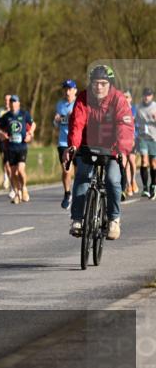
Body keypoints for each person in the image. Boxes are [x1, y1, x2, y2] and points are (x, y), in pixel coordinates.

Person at [65, 64, 135, 241]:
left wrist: (122, 149)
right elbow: (77, 123)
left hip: (112, 148)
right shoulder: (83, 97)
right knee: (82, 176)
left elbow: (125, 127)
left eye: (103, 83)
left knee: (112, 180)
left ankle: (114, 219)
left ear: (109, 84)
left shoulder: (118, 100)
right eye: (96, 83)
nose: (99, 87)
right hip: (88, 146)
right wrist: (73, 146)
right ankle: (77, 219)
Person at [0, 95, 35, 204]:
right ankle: (17, 193)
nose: (13, 104)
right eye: (11, 102)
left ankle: (24, 188)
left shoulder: (24, 114)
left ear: (18, 103)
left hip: (22, 147)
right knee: (13, 173)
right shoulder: (7, 116)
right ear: (9, 104)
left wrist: (30, 133)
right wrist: (2, 134)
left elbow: (33, 124)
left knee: (21, 171)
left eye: (15, 102)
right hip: (11, 148)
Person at [54, 80, 78, 209]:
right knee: (66, 169)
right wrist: (56, 120)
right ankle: (67, 193)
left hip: (77, 142)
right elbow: (57, 123)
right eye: (65, 89)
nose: (67, 91)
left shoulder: (79, 103)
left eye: (69, 89)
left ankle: (79, 193)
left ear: (75, 90)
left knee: (79, 172)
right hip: (64, 142)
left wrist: (73, 117)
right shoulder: (60, 104)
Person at [136, 87, 156, 199]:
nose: (146, 97)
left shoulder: (155, 106)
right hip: (143, 137)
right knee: (144, 161)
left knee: (153, 163)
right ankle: (145, 188)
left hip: (154, 138)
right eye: (145, 95)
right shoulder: (139, 107)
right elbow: (135, 121)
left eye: (148, 95)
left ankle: (153, 184)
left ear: (152, 96)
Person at [0, 94, 13, 196]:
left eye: (8, 100)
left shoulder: (14, 111)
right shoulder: (0, 111)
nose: (6, 102)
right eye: (5, 100)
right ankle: (6, 176)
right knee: (4, 160)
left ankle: (12, 186)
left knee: (11, 163)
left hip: (12, 140)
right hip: (1, 139)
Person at [124, 90, 139, 198]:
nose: (125, 99)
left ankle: (133, 180)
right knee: (125, 164)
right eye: (124, 97)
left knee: (132, 161)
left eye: (127, 97)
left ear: (130, 99)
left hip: (132, 138)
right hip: (122, 139)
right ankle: (128, 185)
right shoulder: (119, 109)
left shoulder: (134, 109)